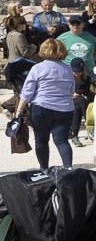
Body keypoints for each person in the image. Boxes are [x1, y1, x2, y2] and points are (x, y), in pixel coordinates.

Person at [13, 39, 77, 170]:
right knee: (62, 140)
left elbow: (27, 92)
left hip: (42, 107)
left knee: (41, 140)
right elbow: (72, 90)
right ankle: (68, 168)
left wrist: (18, 111)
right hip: (65, 108)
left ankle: (44, 169)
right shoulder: (67, 69)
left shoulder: (37, 68)